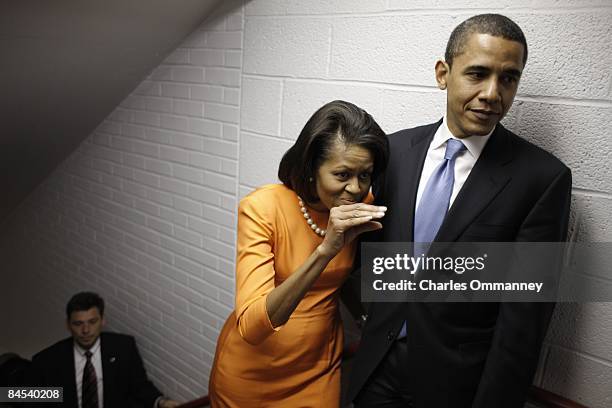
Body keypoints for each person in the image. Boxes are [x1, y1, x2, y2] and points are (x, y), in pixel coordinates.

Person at [346, 14, 572, 408]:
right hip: (374, 369)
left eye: (508, 78)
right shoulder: (394, 152)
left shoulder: (542, 179)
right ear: (442, 74)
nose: (491, 93)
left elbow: (523, 323)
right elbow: (358, 250)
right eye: (478, 74)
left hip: (456, 386)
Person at [208, 100, 389, 407]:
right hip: (252, 372)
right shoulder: (263, 208)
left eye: (365, 175)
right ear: (310, 169)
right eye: (342, 175)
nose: (355, 189)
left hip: (318, 369)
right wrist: (325, 251)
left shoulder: (362, 205)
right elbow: (252, 326)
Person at [29, 292, 180, 408]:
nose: (86, 330)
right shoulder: (48, 360)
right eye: (78, 323)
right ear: (68, 325)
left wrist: (161, 402)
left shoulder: (123, 348)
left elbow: (138, 386)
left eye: (92, 322)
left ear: (103, 320)